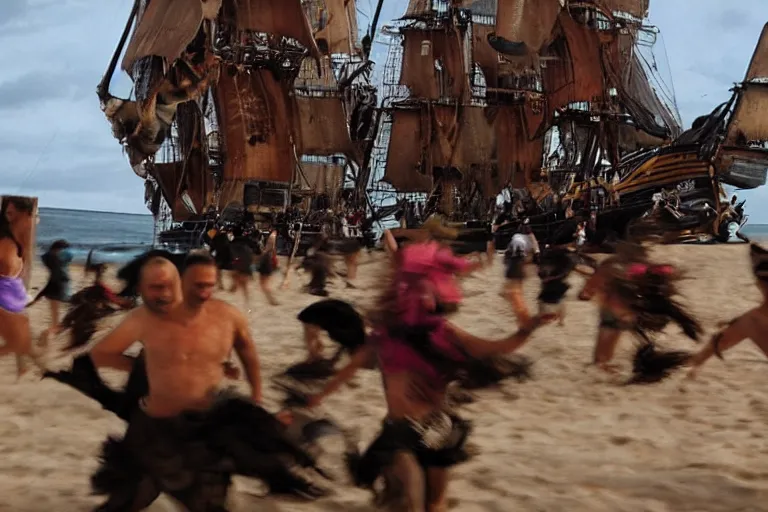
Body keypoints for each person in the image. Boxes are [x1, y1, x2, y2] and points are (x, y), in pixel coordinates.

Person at [304, 241, 546, 510]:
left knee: (435, 504)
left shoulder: (444, 334)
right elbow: (347, 371)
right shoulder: (383, 338)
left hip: (437, 429)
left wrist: (525, 331)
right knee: (410, 496)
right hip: (399, 433)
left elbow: (493, 349)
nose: (423, 300)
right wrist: (319, 396)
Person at [687, 242, 768, 379]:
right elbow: (718, 343)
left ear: (759, 285)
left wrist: (696, 363)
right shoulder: (749, 322)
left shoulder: (750, 322)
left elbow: (717, 344)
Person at [0, 196, 38, 378]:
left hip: (15, 299)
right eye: (9, 213)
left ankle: (23, 370)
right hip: (5, 302)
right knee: (18, 343)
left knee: (23, 344)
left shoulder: (20, 245)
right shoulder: (5, 244)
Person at [28, 239, 74, 336]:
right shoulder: (58, 266)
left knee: (56, 318)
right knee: (61, 319)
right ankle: (47, 334)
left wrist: (37, 298)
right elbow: (55, 279)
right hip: (59, 289)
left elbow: (51, 281)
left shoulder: (51, 261)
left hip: (54, 289)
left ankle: (48, 334)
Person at [256, 230, 279, 305]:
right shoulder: (271, 236)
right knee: (264, 285)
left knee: (264, 285)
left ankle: (272, 300)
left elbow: (269, 248)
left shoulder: (271, 236)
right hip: (267, 262)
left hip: (266, 262)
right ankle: (271, 300)